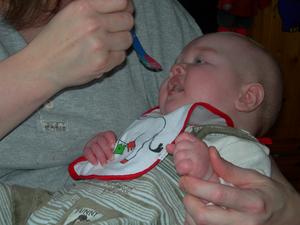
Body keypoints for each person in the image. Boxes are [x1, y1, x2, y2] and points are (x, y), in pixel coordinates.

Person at [0, 0, 299, 224]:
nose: (177, 68)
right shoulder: (157, 120)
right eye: (182, 62)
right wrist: (108, 148)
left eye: (199, 62)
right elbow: (129, 151)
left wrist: (287, 210)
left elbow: (254, 185)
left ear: (247, 97)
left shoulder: (160, 16)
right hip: (63, 204)